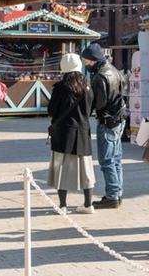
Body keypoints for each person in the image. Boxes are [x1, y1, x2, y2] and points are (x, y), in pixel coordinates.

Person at [47, 53, 96, 214]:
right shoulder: (87, 87)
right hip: (82, 131)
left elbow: (51, 110)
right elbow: (90, 110)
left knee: (61, 168)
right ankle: (88, 204)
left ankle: (62, 205)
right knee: (86, 168)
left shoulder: (60, 88)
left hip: (63, 132)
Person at [80, 42, 127, 209]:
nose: (85, 64)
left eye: (86, 61)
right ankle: (117, 193)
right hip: (118, 119)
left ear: (93, 60)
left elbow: (99, 103)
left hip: (107, 121)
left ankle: (112, 195)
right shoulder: (114, 70)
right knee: (116, 159)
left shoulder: (100, 76)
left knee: (107, 160)